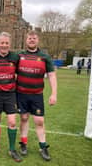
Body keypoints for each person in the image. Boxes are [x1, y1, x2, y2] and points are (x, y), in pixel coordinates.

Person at [17, 30, 57, 161]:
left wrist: (54, 93)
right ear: (26, 40)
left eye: (34, 38)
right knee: (23, 118)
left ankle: (43, 146)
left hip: (37, 95)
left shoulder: (45, 57)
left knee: (39, 121)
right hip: (21, 94)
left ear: (37, 40)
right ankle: (23, 143)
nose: (32, 40)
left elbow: (51, 75)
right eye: (29, 38)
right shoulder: (19, 55)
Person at [0, 32, 22, 162]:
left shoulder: (15, 57)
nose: (4, 45)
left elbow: (21, 72)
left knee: (12, 122)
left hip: (10, 95)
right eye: (2, 43)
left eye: (6, 43)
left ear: (10, 44)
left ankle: (12, 149)